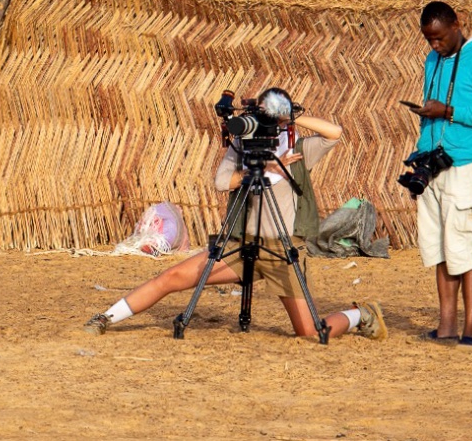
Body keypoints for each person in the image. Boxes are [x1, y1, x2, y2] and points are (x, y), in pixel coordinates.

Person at [83, 88, 387, 340]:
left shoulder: (297, 149)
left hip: (281, 249)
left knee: (309, 332)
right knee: (173, 276)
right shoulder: (243, 146)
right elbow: (220, 182)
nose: (272, 126)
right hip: (242, 245)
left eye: (276, 120)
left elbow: (335, 133)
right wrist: (259, 167)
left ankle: (361, 314)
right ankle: (106, 317)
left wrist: (291, 115)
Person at [406, 1, 472, 352]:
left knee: (464, 249)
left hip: (463, 166)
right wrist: (419, 156)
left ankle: (470, 332)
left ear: (456, 24)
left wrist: (448, 111)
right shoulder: (432, 60)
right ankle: (446, 326)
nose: (433, 46)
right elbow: (429, 113)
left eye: (438, 38)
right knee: (438, 249)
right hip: (434, 165)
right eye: (428, 40)